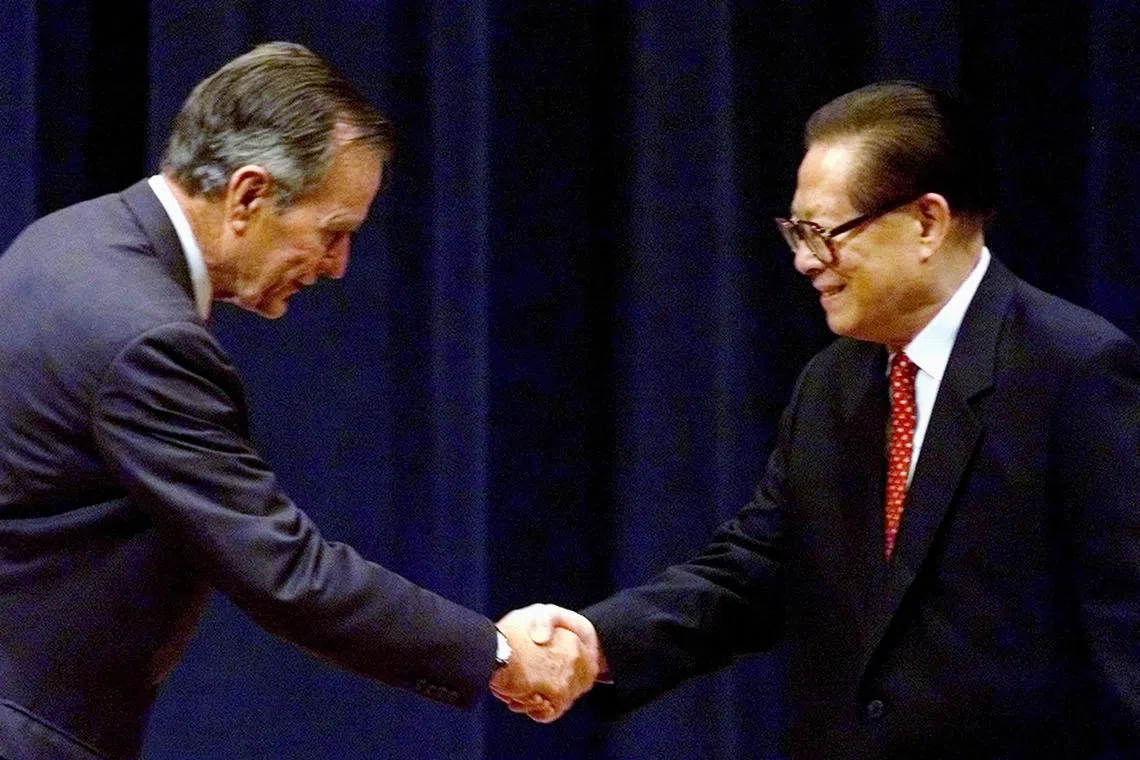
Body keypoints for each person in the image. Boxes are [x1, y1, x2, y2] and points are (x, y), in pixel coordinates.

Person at [503, 81, 1140, 757]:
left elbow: (1127, 634)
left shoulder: (1074, 371)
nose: (806, 261)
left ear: (927, 221)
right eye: (796, 233)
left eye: (824, 232)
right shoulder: (833, 382)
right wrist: (595, 642)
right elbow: (754, 570)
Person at [0, 42, 596, 760]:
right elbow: (286, 572)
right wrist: (497, 653)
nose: (338, 266)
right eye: (333, 233)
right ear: (249, 195)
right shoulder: (147, 338)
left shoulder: (63, 241)